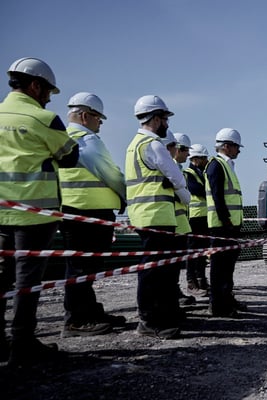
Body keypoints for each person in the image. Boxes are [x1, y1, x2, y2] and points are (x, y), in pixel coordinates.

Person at [0, 57, 78, 366]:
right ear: (35, 86)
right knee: (27, 283)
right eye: (47, 92)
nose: (48, 98)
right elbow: (70, 158)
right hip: (34, 213)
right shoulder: (44, 119)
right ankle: (23, 343)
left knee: (1, 277)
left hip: (0, 212)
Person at [58, 92, 127, 338]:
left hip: (74, 212)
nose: (101, 123)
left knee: (82, 268)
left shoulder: (62, 139)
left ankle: (90, 312)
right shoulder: (86, 140)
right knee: (81, 269)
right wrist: (124, 196)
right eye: (99, 118)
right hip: (87, 213)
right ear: (85, 115)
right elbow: (110, 173)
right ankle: (77, 320)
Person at [125, 95, 190, 339]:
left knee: (152, 271)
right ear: (155, 118)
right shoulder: (152, 145)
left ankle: (159, 316)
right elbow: (176, 175)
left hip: (143, 215)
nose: (167, 124)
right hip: (157, 215)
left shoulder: (133, 144)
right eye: (164, 119)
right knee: (156, 273)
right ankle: (151, 321)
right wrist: (183, 195)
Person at [205, 128, 245, 317]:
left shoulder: (226, 165)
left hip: (230, 225)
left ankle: (226, 299)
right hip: (222, 226)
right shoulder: (216, 165)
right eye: (236, 147)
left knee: (227, 267)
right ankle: (218, 305)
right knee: (219, 267)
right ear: (227, 146)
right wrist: (226, 219)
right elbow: (217, 196)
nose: (239, 151)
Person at [169, 132, 195, 306]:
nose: (187, 154)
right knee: (170, 264)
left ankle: (174, 292)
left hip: (179, 223)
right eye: (185, 150)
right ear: (177, 149)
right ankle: (172, 294)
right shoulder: (170, 167)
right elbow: (183, 196)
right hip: (172, 224)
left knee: (176, 263)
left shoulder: (178, 169)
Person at [184, 144, 210, 296]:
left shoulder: (202, 173)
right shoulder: (188, 173)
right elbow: (197, 190)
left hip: (204, 217)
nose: (206, 160)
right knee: (192, 252)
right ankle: (191, 281)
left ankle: (201, 279)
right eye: (203, 158)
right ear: (196, 159)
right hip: (194, 218)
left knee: (202, 251)